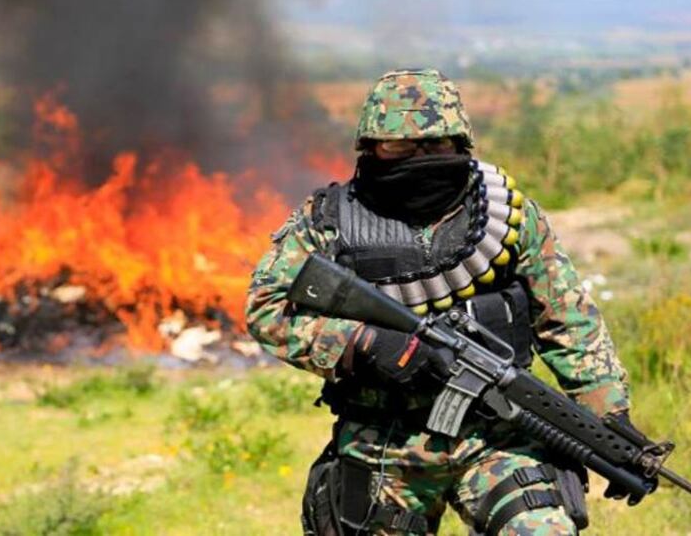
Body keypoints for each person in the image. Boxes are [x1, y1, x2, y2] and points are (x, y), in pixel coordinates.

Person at [245, 69, 637, 535]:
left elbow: (570, 322)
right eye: (399, 147)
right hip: (383, 442)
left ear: (461, 144)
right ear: (370, 148)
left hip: (498, 438)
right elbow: (267, 309)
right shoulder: (329, 220)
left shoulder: (505, 216)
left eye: (435, 146)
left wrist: (607, 415)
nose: (419, 157)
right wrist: (364, 343)